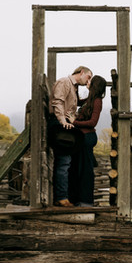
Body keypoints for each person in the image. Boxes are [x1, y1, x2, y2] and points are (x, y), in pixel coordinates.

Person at [49, 66, 93, 207]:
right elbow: (58, 102)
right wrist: (63, 122)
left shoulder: (73, 88)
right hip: (60, 126)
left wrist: (91, 92)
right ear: (81, 73)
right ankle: (61, 197)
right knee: (64, 162)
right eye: (88, 77)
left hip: (65, 126)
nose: (88, 80)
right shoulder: (64, 82)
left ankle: (65, 196)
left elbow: (75, 103)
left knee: (67, 162)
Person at [70, 75, 107, 207]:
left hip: (87, 137)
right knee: (78, 168)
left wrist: (74, 123)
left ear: (95, 84)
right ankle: (77, 199)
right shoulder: (89, 99)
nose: (88, 81)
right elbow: (77, 102)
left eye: (91, 80)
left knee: (86, 170)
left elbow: (92, 122)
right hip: (82, 138)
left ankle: (86, 201)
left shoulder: (97, 101)